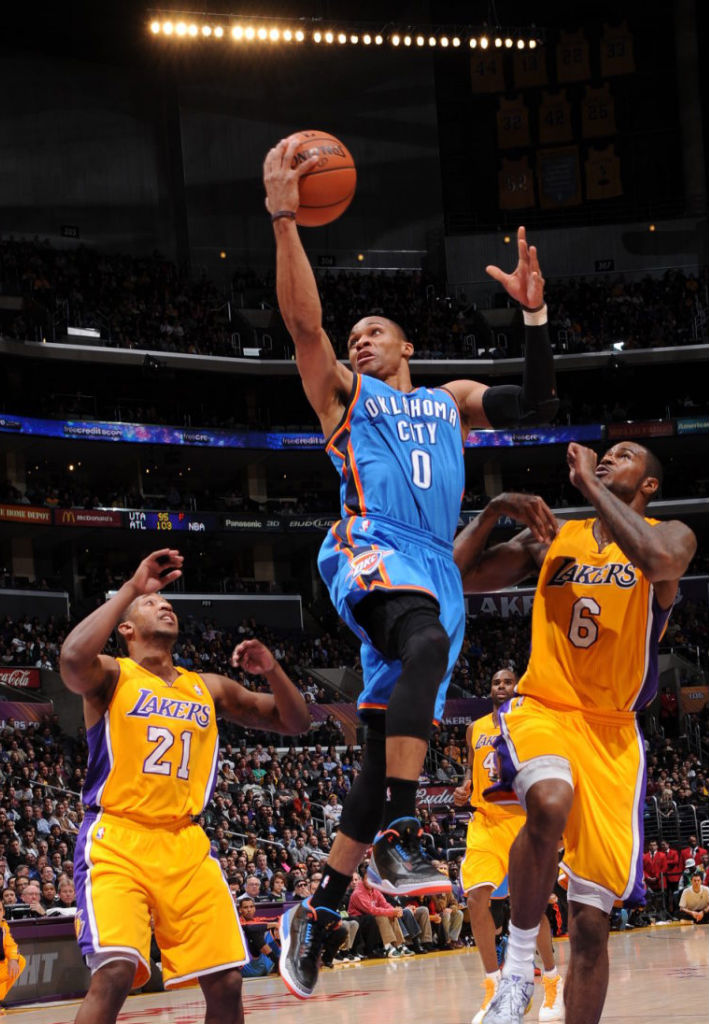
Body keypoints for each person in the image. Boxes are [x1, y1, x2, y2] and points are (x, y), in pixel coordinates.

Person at [263, 139, 558, 1000]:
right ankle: (400, 829)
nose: (359, 340)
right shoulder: (346, 397)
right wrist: (286, 220)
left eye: (375, 332)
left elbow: (532, 401)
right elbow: (304, 326)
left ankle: (315, 913)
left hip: (431, 563)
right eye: (355, 336)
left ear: (406, 345)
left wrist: (535, 322)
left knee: (374, 756)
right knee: (423, 642)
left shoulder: (445, 401)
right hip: (371, 540)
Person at [453, 442, 697, 1024]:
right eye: (604, 455)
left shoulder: (673, 534)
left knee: (591, 925)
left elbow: (659, 561)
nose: (609, 458)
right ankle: (516, 975)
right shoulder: (554, 540)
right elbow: (454, 577)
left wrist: (589, 484)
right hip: (547, 705)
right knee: (548, 798)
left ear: (650, 486)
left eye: (626, 455)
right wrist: (490, 514)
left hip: (614, 733)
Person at [59, 549, 310, 1024]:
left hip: (185, 842)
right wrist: (133, 587)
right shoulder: (112, 674)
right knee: (114, 973)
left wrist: (273, 671)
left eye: (168, 603)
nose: (165, 605)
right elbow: (72, 658)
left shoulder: (207, 687)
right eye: (152, 605)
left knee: (227, 980)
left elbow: (294, 722)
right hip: (117, 837)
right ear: (126, 629)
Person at [454, 669, 563, 1023]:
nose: (501, 686)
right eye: (495, 682)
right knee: (476, 899)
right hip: (485, 822)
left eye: (507, 681)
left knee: (527, 908)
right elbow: (472, 774)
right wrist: (463, 790)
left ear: (518, 686)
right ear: (489, 689)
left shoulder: (531, 722)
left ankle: (551, 980)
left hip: (521, 821)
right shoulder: (475, 728)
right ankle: (494, 987)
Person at [0, 901, 25, 1012]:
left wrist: (13, 958)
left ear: (3, 912)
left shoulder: (3, 926)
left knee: (19, 961)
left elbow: (11, 945)